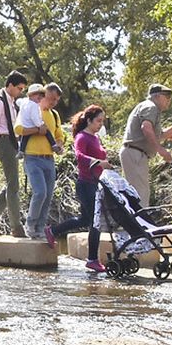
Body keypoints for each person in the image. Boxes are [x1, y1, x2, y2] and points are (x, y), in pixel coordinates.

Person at [52, 104, 109, 273]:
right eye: (98, 121)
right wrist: (98, 162)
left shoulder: (95, 138)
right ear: (89, 120)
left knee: (85, 220)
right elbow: (80, 156)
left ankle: (53, 230)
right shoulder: (82, 137)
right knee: (94, 221)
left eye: (102, 121)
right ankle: (92, 259)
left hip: (96, 183)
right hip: (86, 183)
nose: (100, 124)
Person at [17, 83, 66, 245]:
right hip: (32, 157)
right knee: (40, 192)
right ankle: (30, 224)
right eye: (51, 99)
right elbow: (19, 129)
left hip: (49, 159)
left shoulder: (54, 114)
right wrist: (38, 130)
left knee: (48, 195)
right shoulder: (30, 108)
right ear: (43, 95)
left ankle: (40, 228)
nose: (54, 103)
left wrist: (59, 144)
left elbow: (59, 134)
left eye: (56, 100)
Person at [0, 71, 29, 238]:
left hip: (9, 142)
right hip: (4, 141)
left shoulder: (9, 101)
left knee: (11, 184)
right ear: (10, 85)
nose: (20, 92)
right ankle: (16, 227)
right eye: (19, 88)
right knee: (13, 185)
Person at [120, 84, 172, 208]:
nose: (169, 100)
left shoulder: (149, 107)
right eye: (167, 96)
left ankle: (137, 218)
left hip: (135, 153)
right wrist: (160, 150)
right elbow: (146, 128)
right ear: (157, 96)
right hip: (136, 153)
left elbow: (159, 135)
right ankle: (140, 220)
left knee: (139, 192)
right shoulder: (151, 107)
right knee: (140, 194)